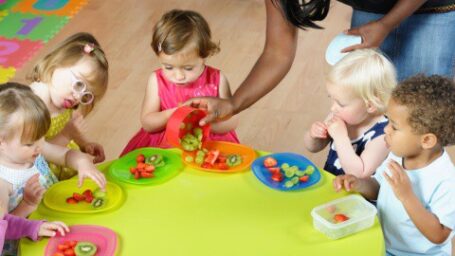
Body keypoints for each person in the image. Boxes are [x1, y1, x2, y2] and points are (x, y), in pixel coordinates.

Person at [190, 0, 455, 125]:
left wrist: (387, 24)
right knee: (367, 117)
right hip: (373, 6)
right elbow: (277, 53)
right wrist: (233, 103)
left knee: (417, 122)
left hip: (433, 7)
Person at [333, 75, 455, 255]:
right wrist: (360, 184)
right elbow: (380, 187)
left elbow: (440, 235)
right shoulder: (399, 155)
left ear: (427, 140)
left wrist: (407, 196)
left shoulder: (446, 180)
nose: (386, 129)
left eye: (394, 127)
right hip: (386, 246)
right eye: (388, 121)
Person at [0, 83, 105, 255]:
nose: (38, 147)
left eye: (40, 137)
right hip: (27, 246)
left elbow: (66, 155)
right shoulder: (3, 181)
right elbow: (4, 228)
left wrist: (83, 163)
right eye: (29, 143)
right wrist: (26, 205)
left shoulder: (35, 148)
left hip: (55, 222)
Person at [120, 9, 239, 156]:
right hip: (165, 145)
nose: (178, 76)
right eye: (168, 67)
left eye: (188, 68)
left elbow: (232, 121)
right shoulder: (156, 80)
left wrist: (203, 122)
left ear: (204, 56)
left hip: (209, 144)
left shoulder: (217, 79)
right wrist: (175, 115)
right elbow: (148, 123)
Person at [303, 49, 396, 177]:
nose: (333, 108)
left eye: (341, 104)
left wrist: (341, 137)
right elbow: (313, 148)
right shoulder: (341, 116)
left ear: (370, 105)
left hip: (357, 195)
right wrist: (314, 135)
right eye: (332, 99)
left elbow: (359, 174)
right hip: (333, 186)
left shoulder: (384, 134)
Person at [29, 32, 109, 180]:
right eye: (78, 84)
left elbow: (68, 129)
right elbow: (34, 151)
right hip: (32, 164)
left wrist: (84, 144)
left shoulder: (64, 97)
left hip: (58, 155)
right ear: (57, 62)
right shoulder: (39, 96)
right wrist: (67, 135)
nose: (78, 97)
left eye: (86, 96)